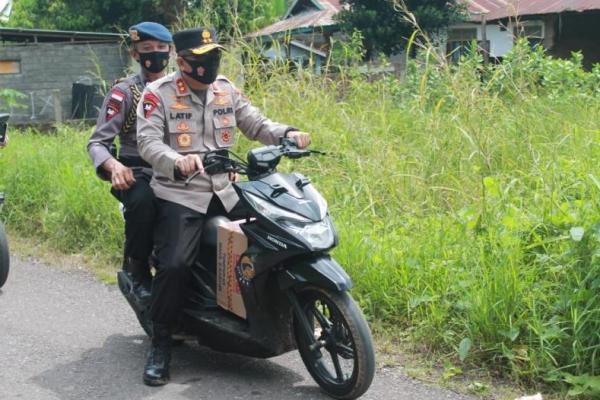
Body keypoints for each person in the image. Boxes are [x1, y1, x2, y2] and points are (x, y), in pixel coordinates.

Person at [136, 27, 311, 386]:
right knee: (175, 264)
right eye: (201, 58)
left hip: (228, 191)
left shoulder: (225, 90)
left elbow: (256, 123)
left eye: (213, 55)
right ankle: (162, 342)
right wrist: (175, 160)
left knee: (274, 239)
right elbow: (148, 143)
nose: (209, 63)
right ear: (182, 61)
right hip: (180, 195)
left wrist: (287, 134)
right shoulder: (158, 94)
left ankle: (257, 312)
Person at [87, 22, 173, 301]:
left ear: (171, 51)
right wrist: (114, 166)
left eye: (161, 48)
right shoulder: (124, 92)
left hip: (179, 170)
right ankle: (137, 271)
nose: (156, 54)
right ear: (135, 54)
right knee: (142, 201)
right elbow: (97, 142)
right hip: (138, 172)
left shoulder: (182, 88)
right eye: (148, 49)